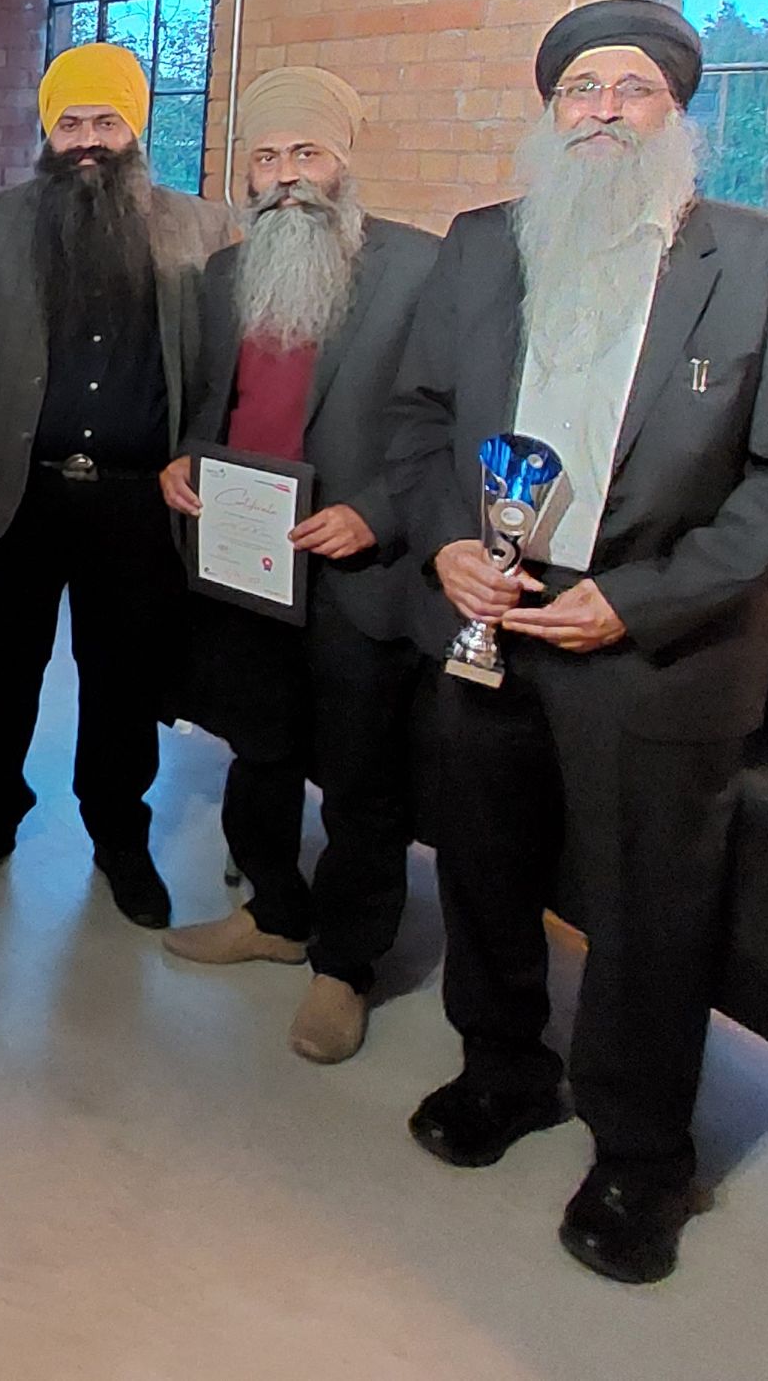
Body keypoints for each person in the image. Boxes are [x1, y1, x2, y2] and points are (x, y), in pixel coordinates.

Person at [382, 0, 768, 1285]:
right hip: (494, 609)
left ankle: (643, 1153)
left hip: (658, 634)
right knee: (482, 858)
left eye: (630, 88)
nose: (601, 109)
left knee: (648, 902)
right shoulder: (483, 251)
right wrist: (444, 546)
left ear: (675, 116)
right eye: (578, 88)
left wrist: (638, 599)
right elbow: (420, 423)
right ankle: (503, 1067)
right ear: (549, 116)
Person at [156, 67, 440, 1063]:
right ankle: (275, 912)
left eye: (306, 155)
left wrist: (377, 513)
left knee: (363, 783)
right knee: (260, 750)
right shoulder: (225, 276)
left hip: (359, 571)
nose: (287, 179)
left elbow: (451, 429)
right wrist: (187, 459)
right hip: (248, 562)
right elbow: (213, 402)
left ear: (344, 163)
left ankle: (344, 967)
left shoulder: (419, 271)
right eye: (268, 158)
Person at [0, 43, 233, 923]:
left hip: (139, 499)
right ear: (45, 131)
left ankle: (118, 831)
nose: (87, 140)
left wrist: (199, 455)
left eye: (106, 122)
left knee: (123, 676)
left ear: (135, 130)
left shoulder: (200, 230)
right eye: (71, 123)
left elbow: (216, 377)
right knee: (1, 665)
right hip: (18, 490)